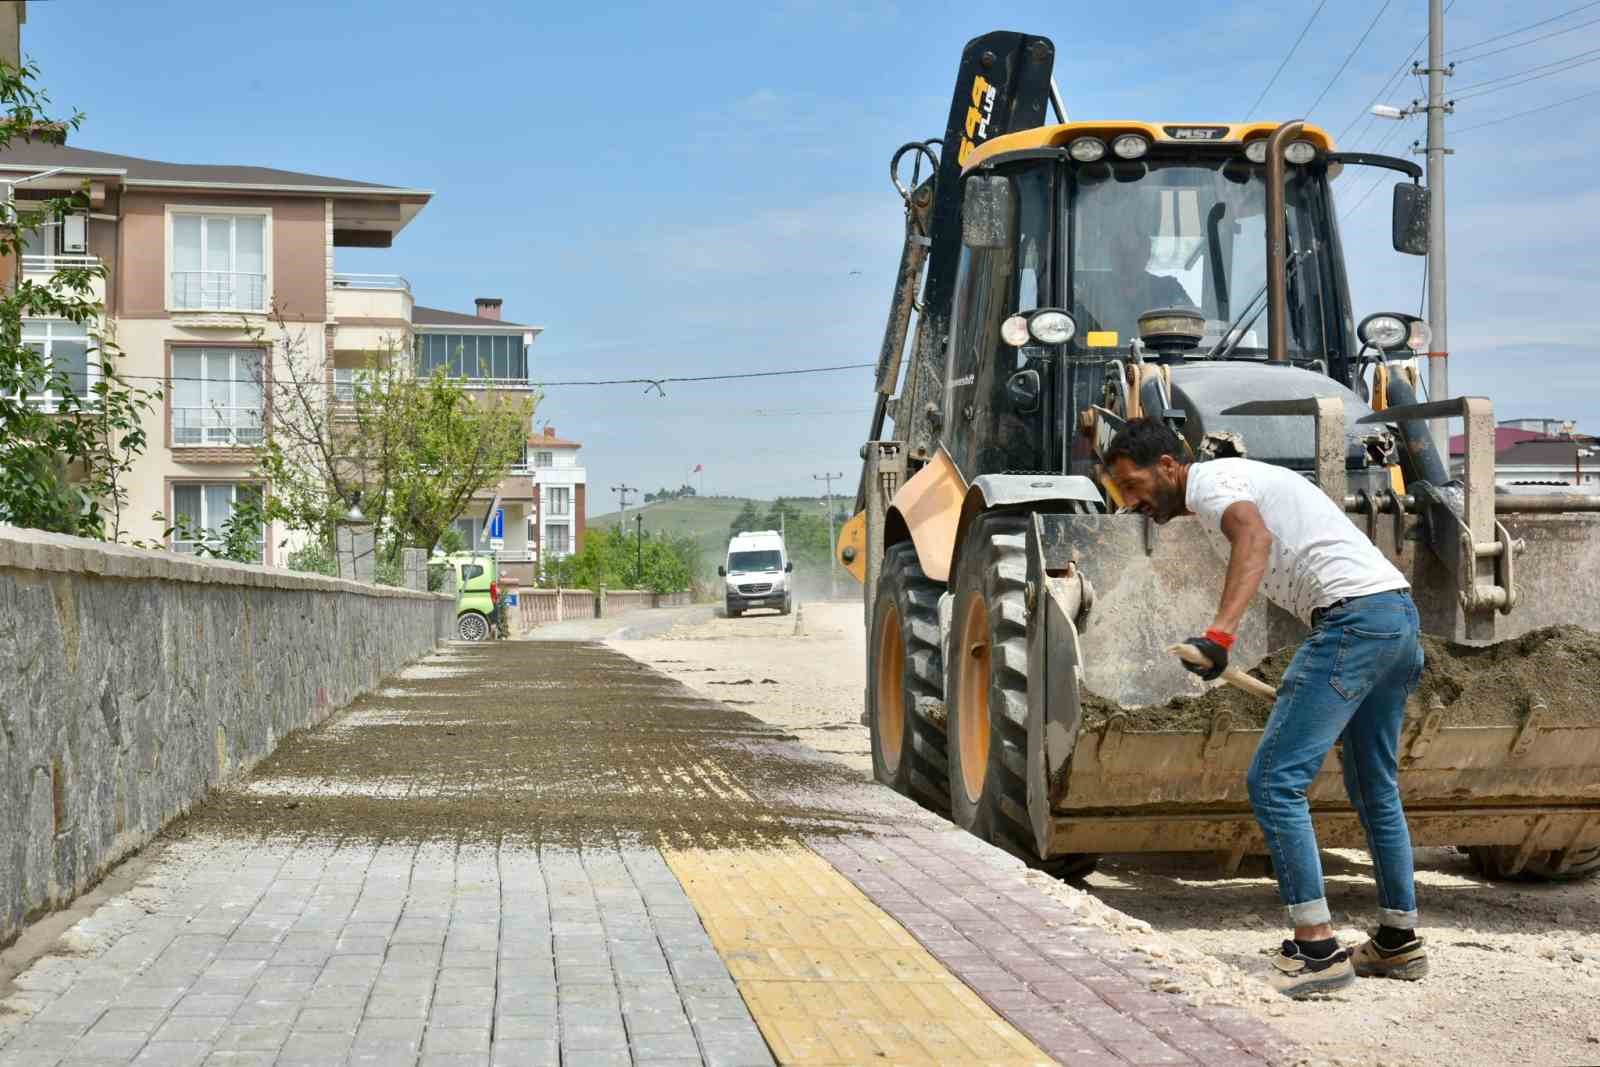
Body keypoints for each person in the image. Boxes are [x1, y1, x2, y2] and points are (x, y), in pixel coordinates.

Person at [1103, 416, 1427, 998]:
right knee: (1373, 785)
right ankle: (1398, 941)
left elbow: (1254, 540)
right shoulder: (1231, 482)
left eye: (1132, 486)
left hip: (1351, 620)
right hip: (1395, 617)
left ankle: (1317, 949)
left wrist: (1219, 637)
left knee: (1276, 781)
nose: (1130, 503)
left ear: (1169, 467)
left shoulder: (1210, 485)